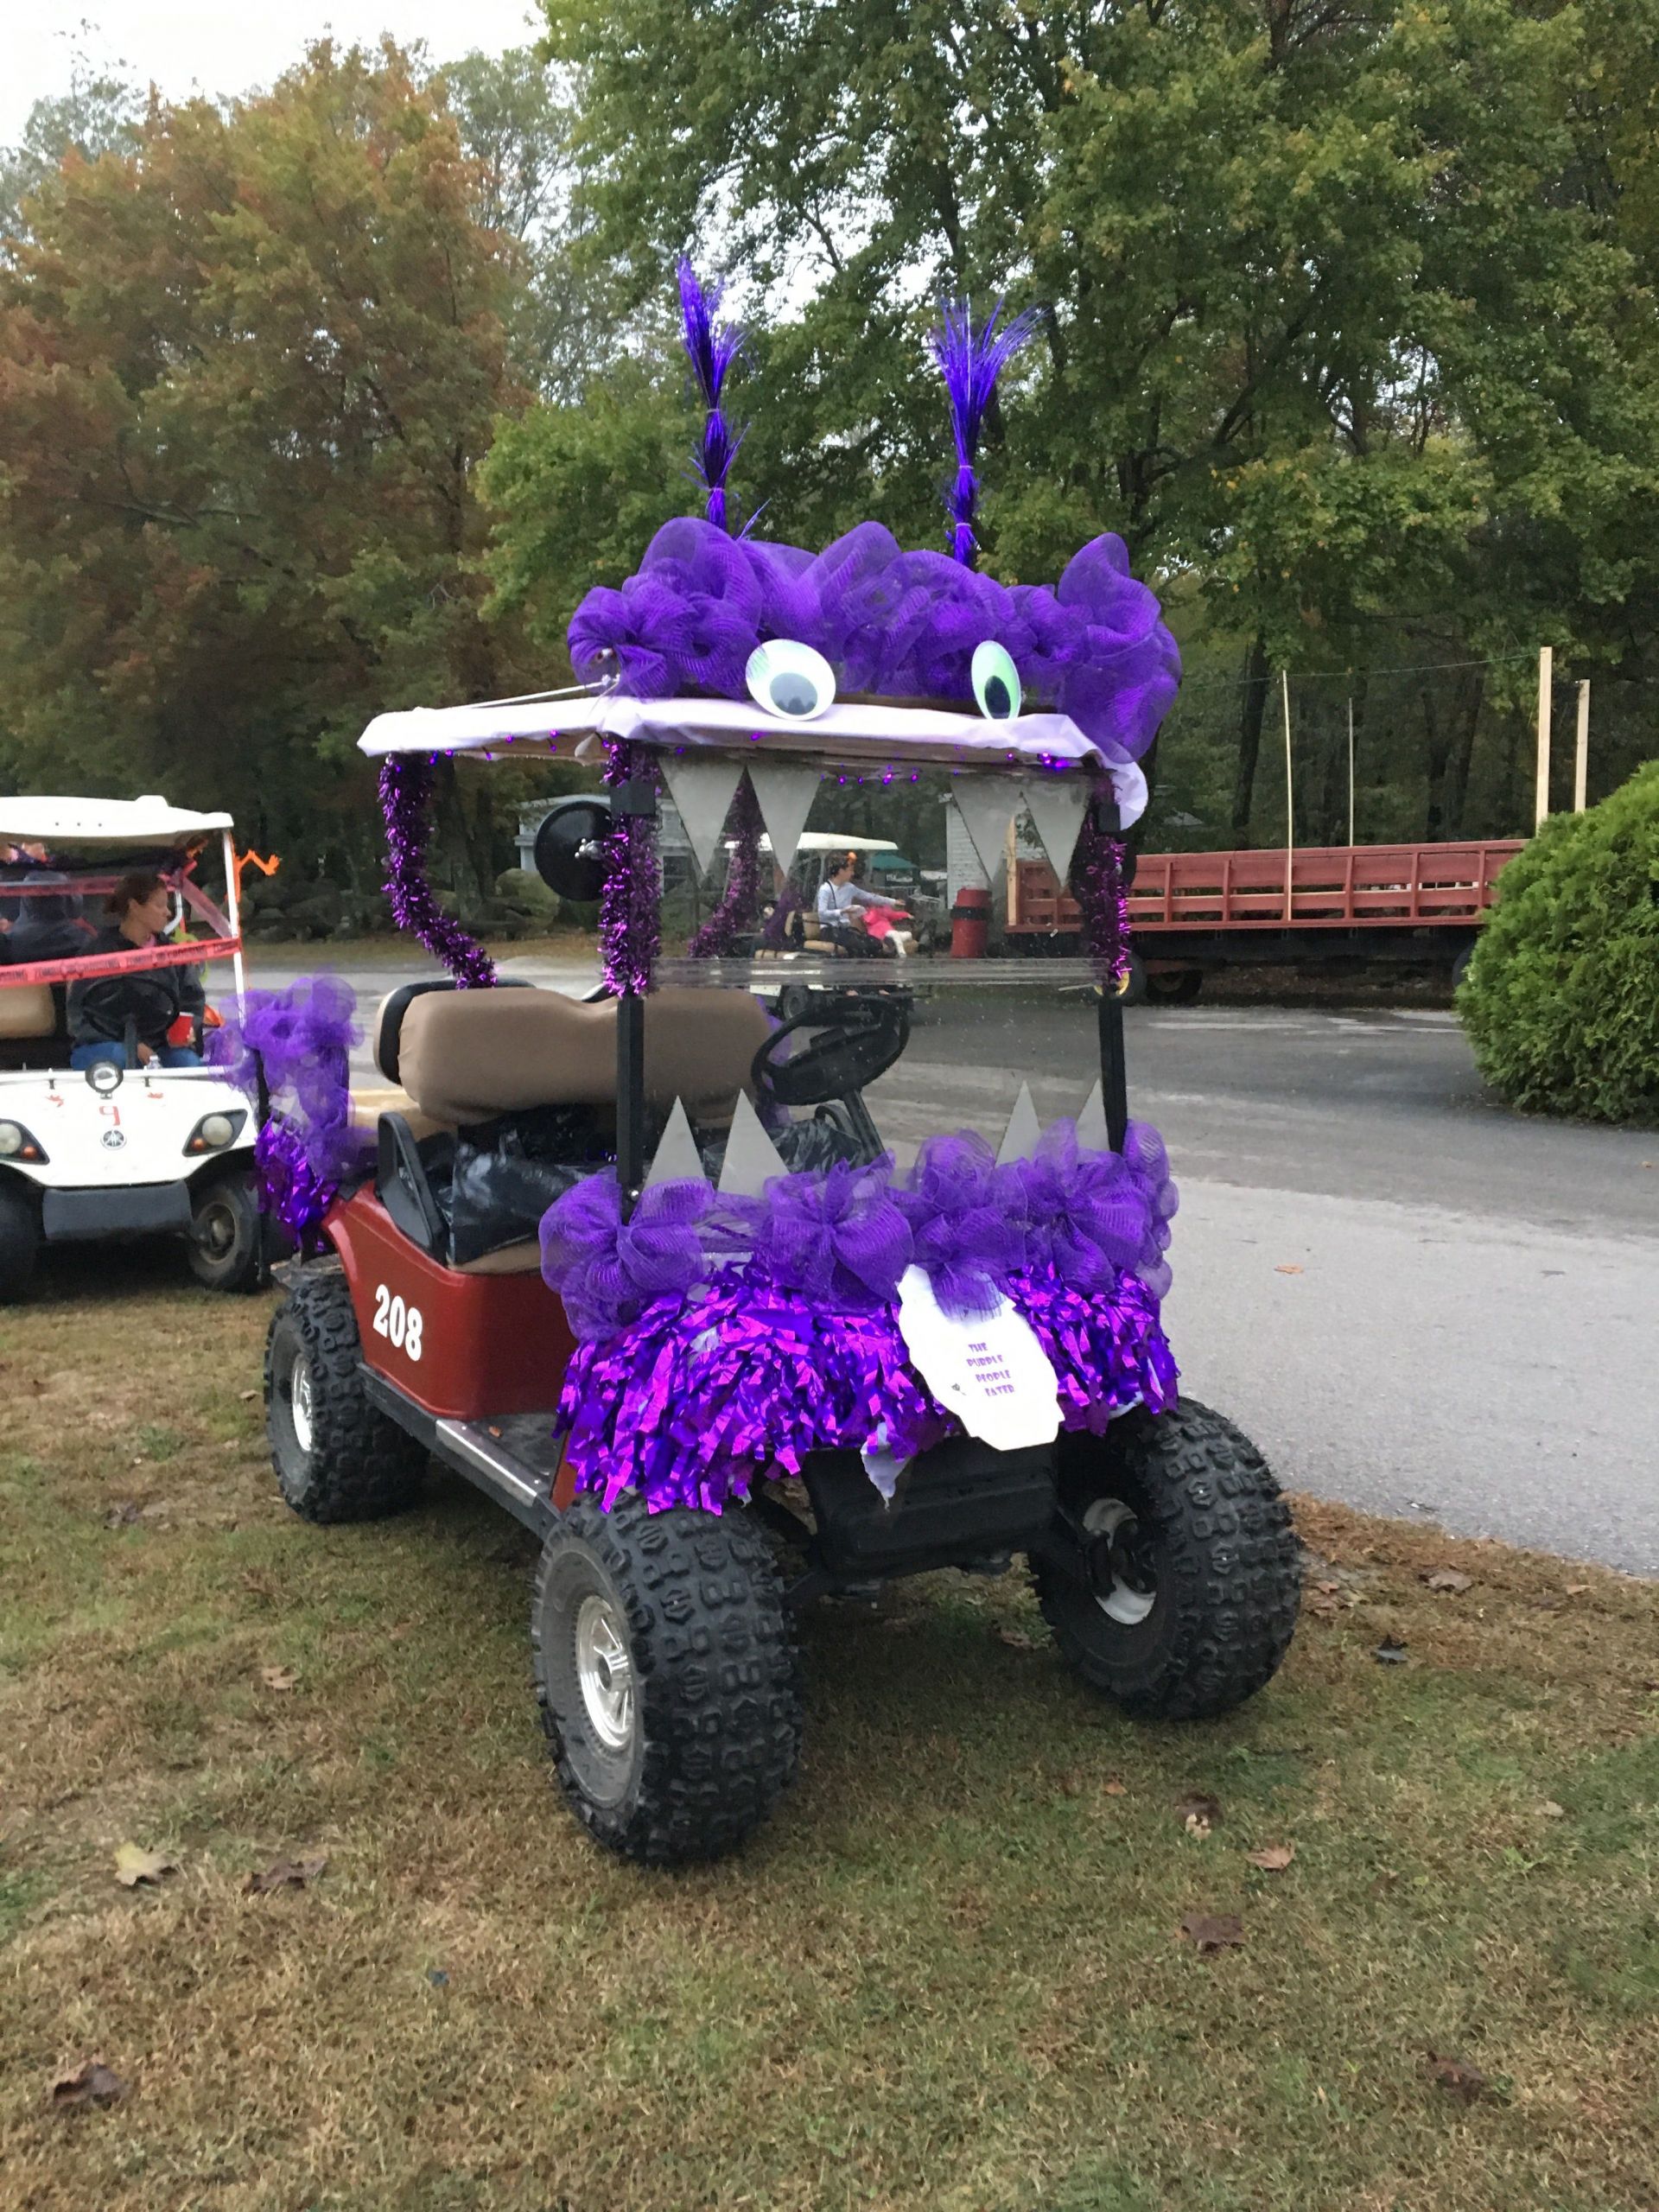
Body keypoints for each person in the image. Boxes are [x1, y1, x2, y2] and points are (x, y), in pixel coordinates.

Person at [67, 870, 205, 1069]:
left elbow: (192, 1001)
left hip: (161, 1044)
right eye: (159, 905)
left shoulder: (173, 954)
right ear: (134, 907)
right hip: (103, 1043)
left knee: (188, 1063)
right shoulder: (95, 953)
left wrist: (189, 1028)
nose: (168, 912)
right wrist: (132, 1044)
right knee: (124, 1058)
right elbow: (78, 1017)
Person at [814, 852, 902, 955]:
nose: (852, 874)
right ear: (840, 871)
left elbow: (869, 897)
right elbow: (822, 913)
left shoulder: (849, 888)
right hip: (830, 930)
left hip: (845, 929)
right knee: (859, 945)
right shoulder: (825, 889)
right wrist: (842, 911)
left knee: (874, 943)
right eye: (850, 870)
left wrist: (892, 902)